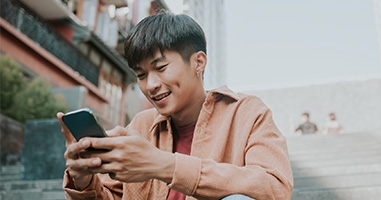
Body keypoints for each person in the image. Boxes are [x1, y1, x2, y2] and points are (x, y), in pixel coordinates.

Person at [57, 12, 293, 200]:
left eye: (160, 68)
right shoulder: (142, 125)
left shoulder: (247, 112)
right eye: (140, 75)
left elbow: (275, 187)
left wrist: (165, 165)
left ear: (198, 62)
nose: (150, 85)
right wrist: (83, 180)